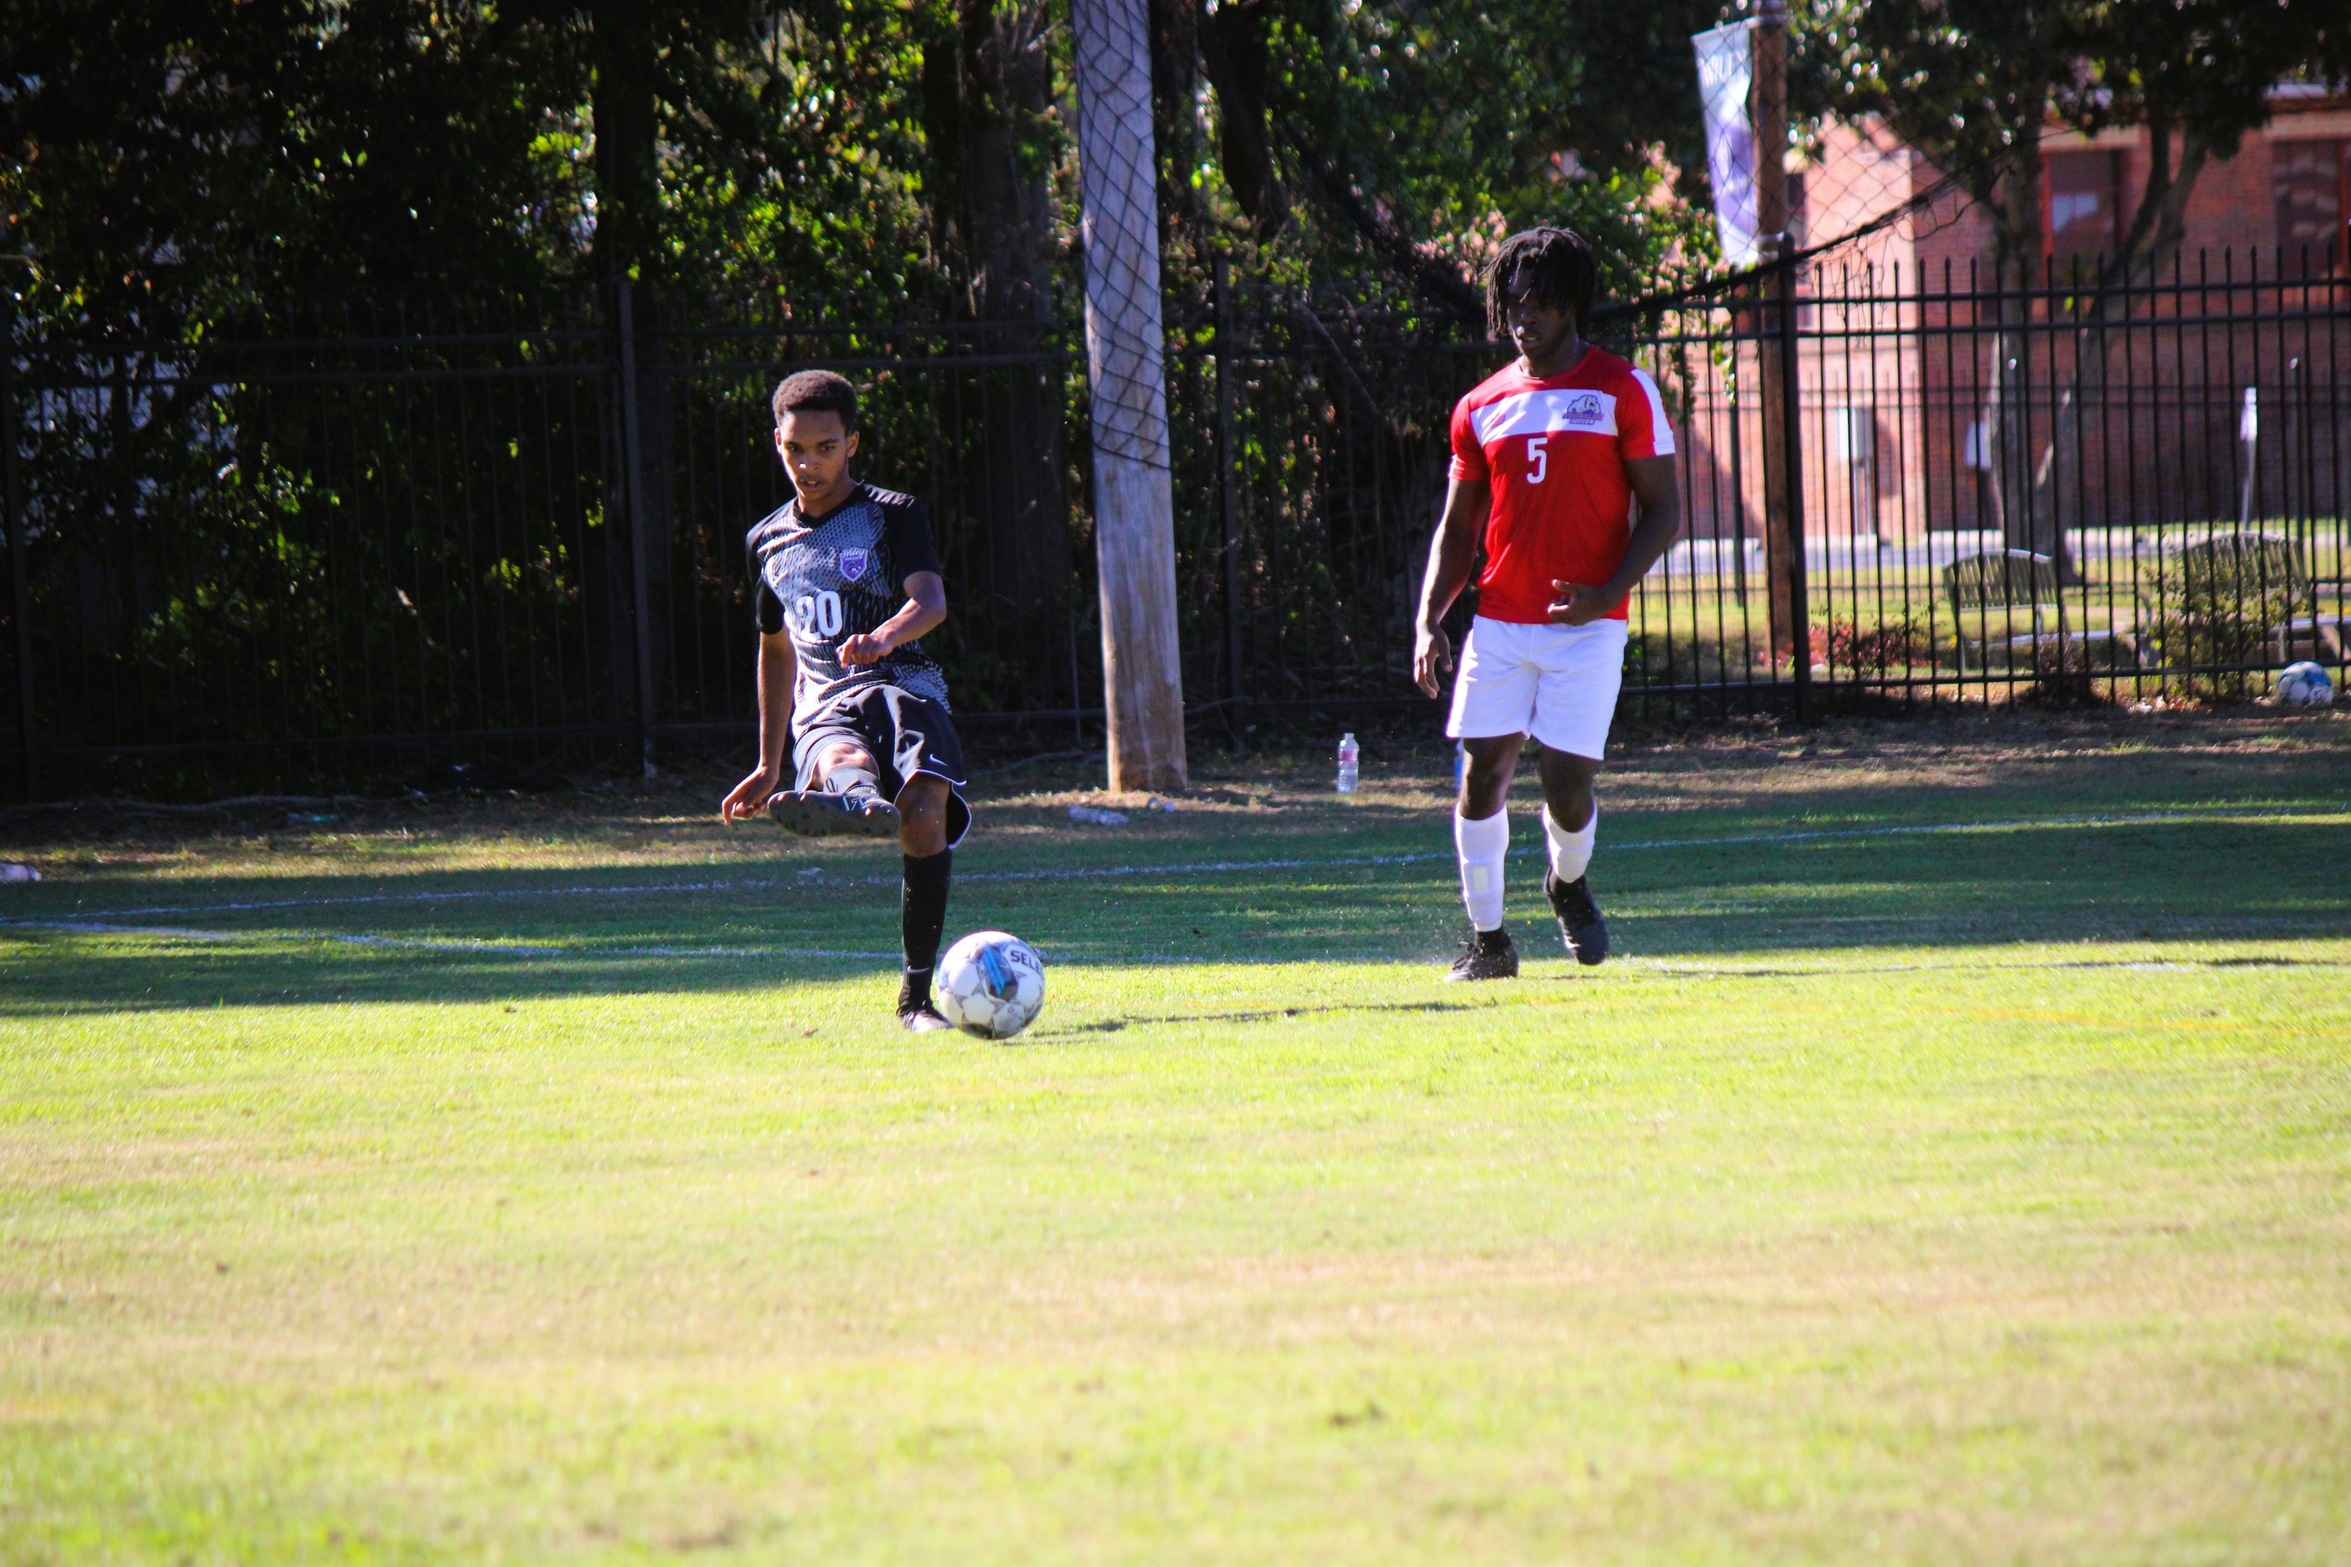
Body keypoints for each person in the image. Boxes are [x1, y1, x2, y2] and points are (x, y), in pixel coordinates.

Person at [1411, 226, 1682, 981]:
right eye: (1512, 304)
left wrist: (1606, 593)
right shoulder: (1480, 404)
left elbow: (1662, 511)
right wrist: (1428, 618)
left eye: (1539, 304)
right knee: (1480, 774)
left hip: (1586, 628)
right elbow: (1459, 525)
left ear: (1571, 308)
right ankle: (1490, 941)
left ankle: (1565, 883)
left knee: (1566, 785)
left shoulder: (1623, 389)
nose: (1522, 318)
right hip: (1499, 622)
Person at [719, 370, 971, 1032]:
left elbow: (931, 601)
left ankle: (915, 999)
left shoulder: (892, 514)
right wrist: (769, 763)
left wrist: (883, 636)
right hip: (823, 702)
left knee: (922, 811)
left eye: (825, 447)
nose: (809, 464)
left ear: (851, 443)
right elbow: (775, 651)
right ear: (777, 441)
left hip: (903, 685)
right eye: (795, 448)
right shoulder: (765, 542)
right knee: (838, 749)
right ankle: (852, 799)